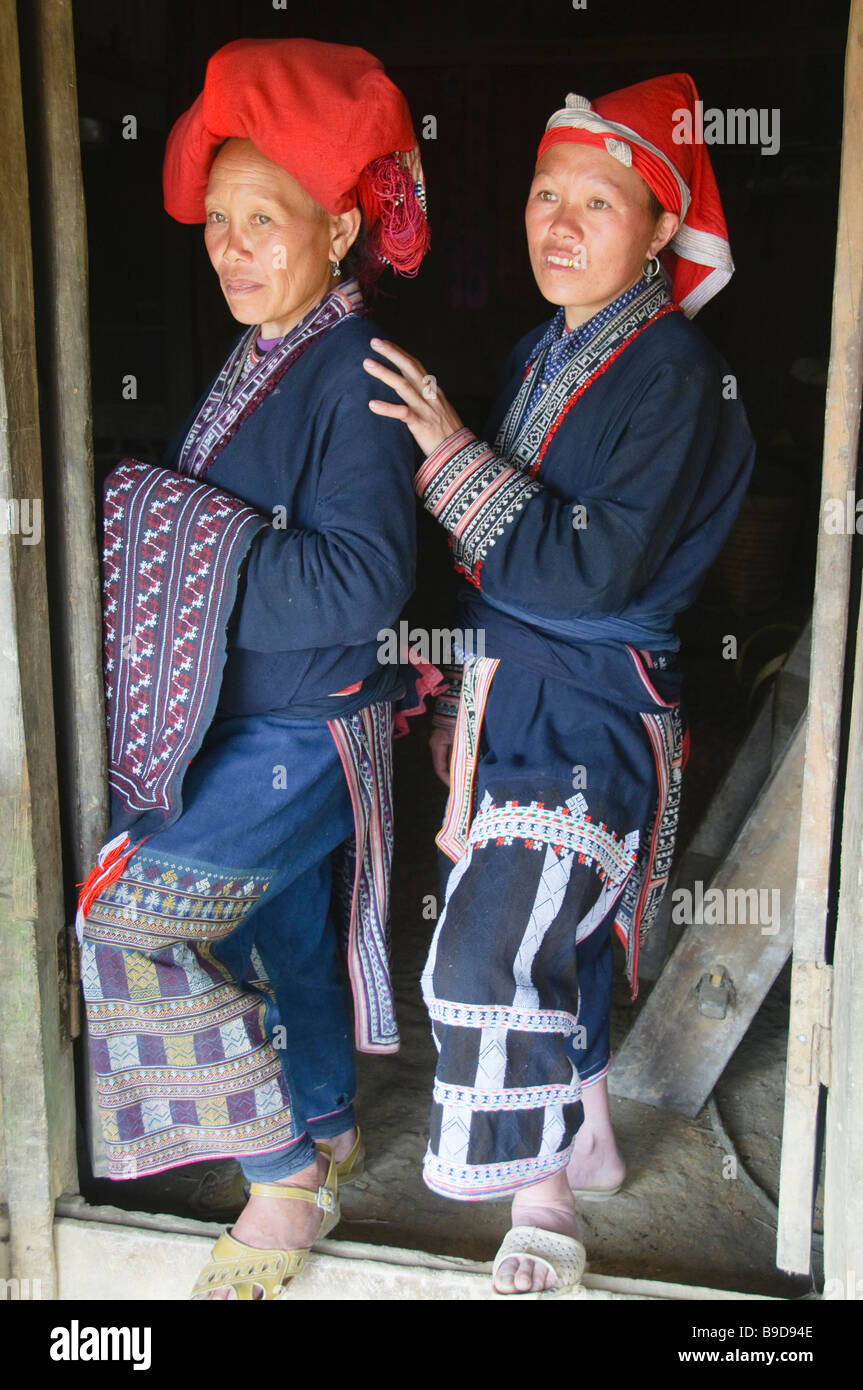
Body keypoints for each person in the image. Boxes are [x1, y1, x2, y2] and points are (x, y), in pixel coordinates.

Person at [364, 72, 755, 1297]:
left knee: (501, 935)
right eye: (545, 193)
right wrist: (455, 694)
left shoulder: (673, 374)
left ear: (656, 231)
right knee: (553, 929)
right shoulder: (550, 347)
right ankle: (577, 1136)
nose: (560, 222)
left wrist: (445, 453)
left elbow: (588, 571)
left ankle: (535, 1197)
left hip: (592, 694)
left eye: (599, 199)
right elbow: (502, 560)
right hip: (515, 685)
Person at [77, 37, 431, 1300]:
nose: (231, 247)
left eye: (262, 220)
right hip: (259, 716)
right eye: (219, 222)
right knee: (286, 941)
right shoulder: (263, 354)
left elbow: (358, 581)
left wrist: (185, 561)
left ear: (338, 228)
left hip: (305, 732)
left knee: (121, 923)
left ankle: (279, 1177)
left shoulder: (357, 376)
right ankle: (327, 1126)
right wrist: (198, 550)